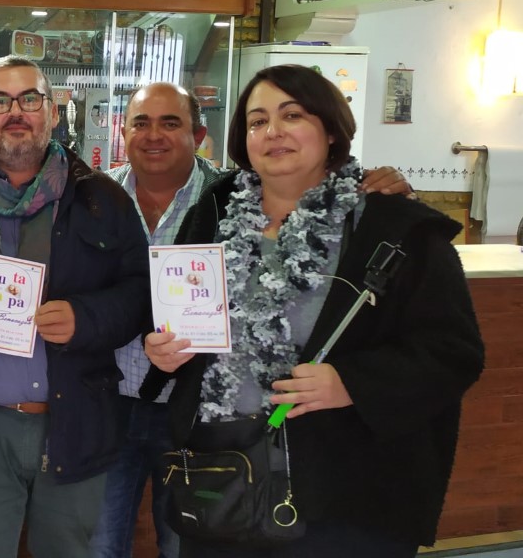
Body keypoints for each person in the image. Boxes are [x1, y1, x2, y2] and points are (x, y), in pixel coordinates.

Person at [143, 65, 484, 557]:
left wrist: (353, 383)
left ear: (331, 130)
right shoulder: (212, 214)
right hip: (224, 480)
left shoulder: (394, 227)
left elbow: (454, 351)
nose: (273, 131)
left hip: (346, 496)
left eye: (292, 115)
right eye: (258, 121)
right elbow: (180, 320)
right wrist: (164, 350)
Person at [93, 82, 414, 558]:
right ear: (123, 132)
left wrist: (388, 189)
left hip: (205, 418)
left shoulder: (221, 197)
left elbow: (438, 347)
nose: (153, 135)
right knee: (101, 542)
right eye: (141, 122)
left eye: (171, 122)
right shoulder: (96, 195)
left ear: (198, 134)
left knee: (183, 539)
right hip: (114, 398)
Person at [0, 54, 150, 558]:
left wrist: (85, 319)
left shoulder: (102, 200)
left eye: (29, 99)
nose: (15, 112)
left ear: (53, 112)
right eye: (0, 101)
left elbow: (139, 294)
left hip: (73, 423)